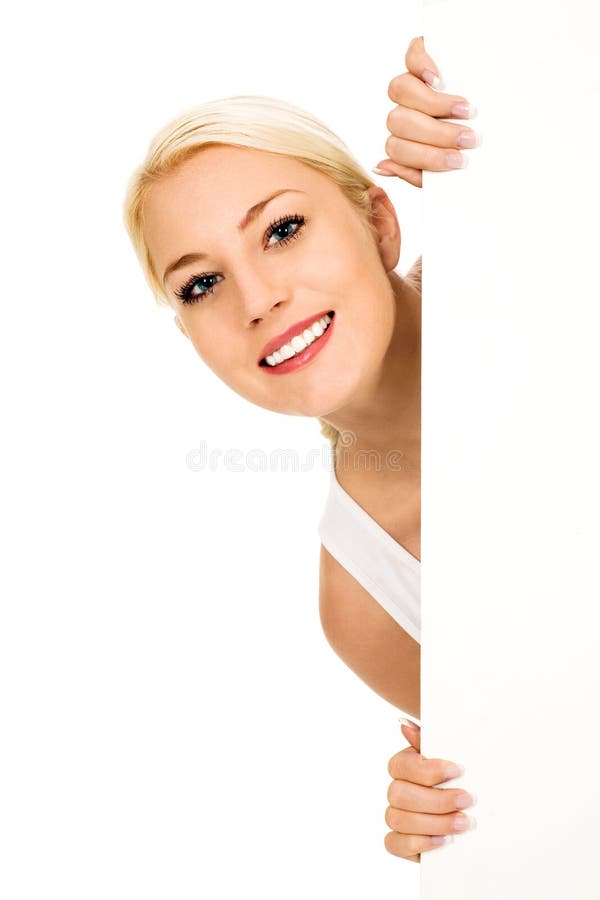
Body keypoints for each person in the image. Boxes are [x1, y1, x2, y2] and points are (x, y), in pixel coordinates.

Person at [122, 35, 481, 865]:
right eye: (200, 284)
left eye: (282, 229)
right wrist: (472, 830)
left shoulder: (545, 260)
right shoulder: (368, 605)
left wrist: (502, 112)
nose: (258, 298)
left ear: (378, 221)